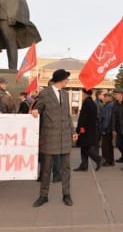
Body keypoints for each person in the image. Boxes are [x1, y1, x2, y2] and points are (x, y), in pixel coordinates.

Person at [31, 69, 78, 207]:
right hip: (50, 137)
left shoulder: (65, 94)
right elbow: (38, 109)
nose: (68, 81)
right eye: (67, 79)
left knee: (66, 168)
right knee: (46, 168)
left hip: (64, 137)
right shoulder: (45, 93)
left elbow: (68, 115)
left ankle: (66, 194)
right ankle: (43, 195)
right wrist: (35, 111)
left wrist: (73, 131)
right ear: (61, 80)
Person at [73, 89, 101, 172]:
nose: (82, 95)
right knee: (84, 146)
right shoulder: (93, 103)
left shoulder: (86, 103)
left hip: (84, 129)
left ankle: (98, 159)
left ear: (85, 94)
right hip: (90, 129)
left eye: (82, 93)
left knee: (85, 147)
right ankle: (84, 165)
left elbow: (83, 118)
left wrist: (79, 128)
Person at [112, 87, 123, 169]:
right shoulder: (115, 104)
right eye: (114, 94)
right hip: (118, 128)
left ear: (120, 94)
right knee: (119, 144)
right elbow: (113, 117)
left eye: (116, 94)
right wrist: (113, 128)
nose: (115, 96)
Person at [99, 92, 115, 166]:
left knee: (105, 146)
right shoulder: (109, 105)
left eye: (106, 97)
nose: (104, 98)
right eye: (104, 97)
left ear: (110, 98)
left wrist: (104, 129)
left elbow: (107, 118)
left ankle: (106, 161)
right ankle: (111, 161)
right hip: (109, 128)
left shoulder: (109, 106)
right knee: (109, 146)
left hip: (107, 129)